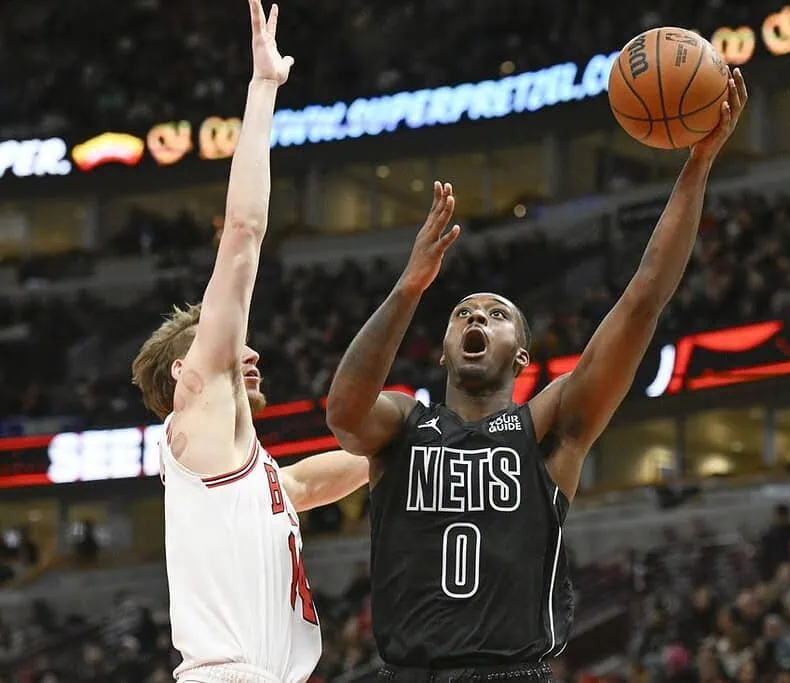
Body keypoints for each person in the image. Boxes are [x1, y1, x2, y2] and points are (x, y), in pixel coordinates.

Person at [325, 67, 749, 681]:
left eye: (497, 315)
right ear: (443, 350)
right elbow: (342, 412)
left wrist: (698, 165)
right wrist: (409, 287)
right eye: (464, 312)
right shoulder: (400, 423)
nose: (477, 316)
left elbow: (644, 298)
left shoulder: (549, 428)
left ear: (521, 354)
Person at [130, 3, 368, 682]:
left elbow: (305, 482)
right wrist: (263, 89)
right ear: (188, 366)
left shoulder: (241, 467)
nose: (249, 351)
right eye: (231, 345)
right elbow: (241, 234)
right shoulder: (201, 400)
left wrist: (401, 439)